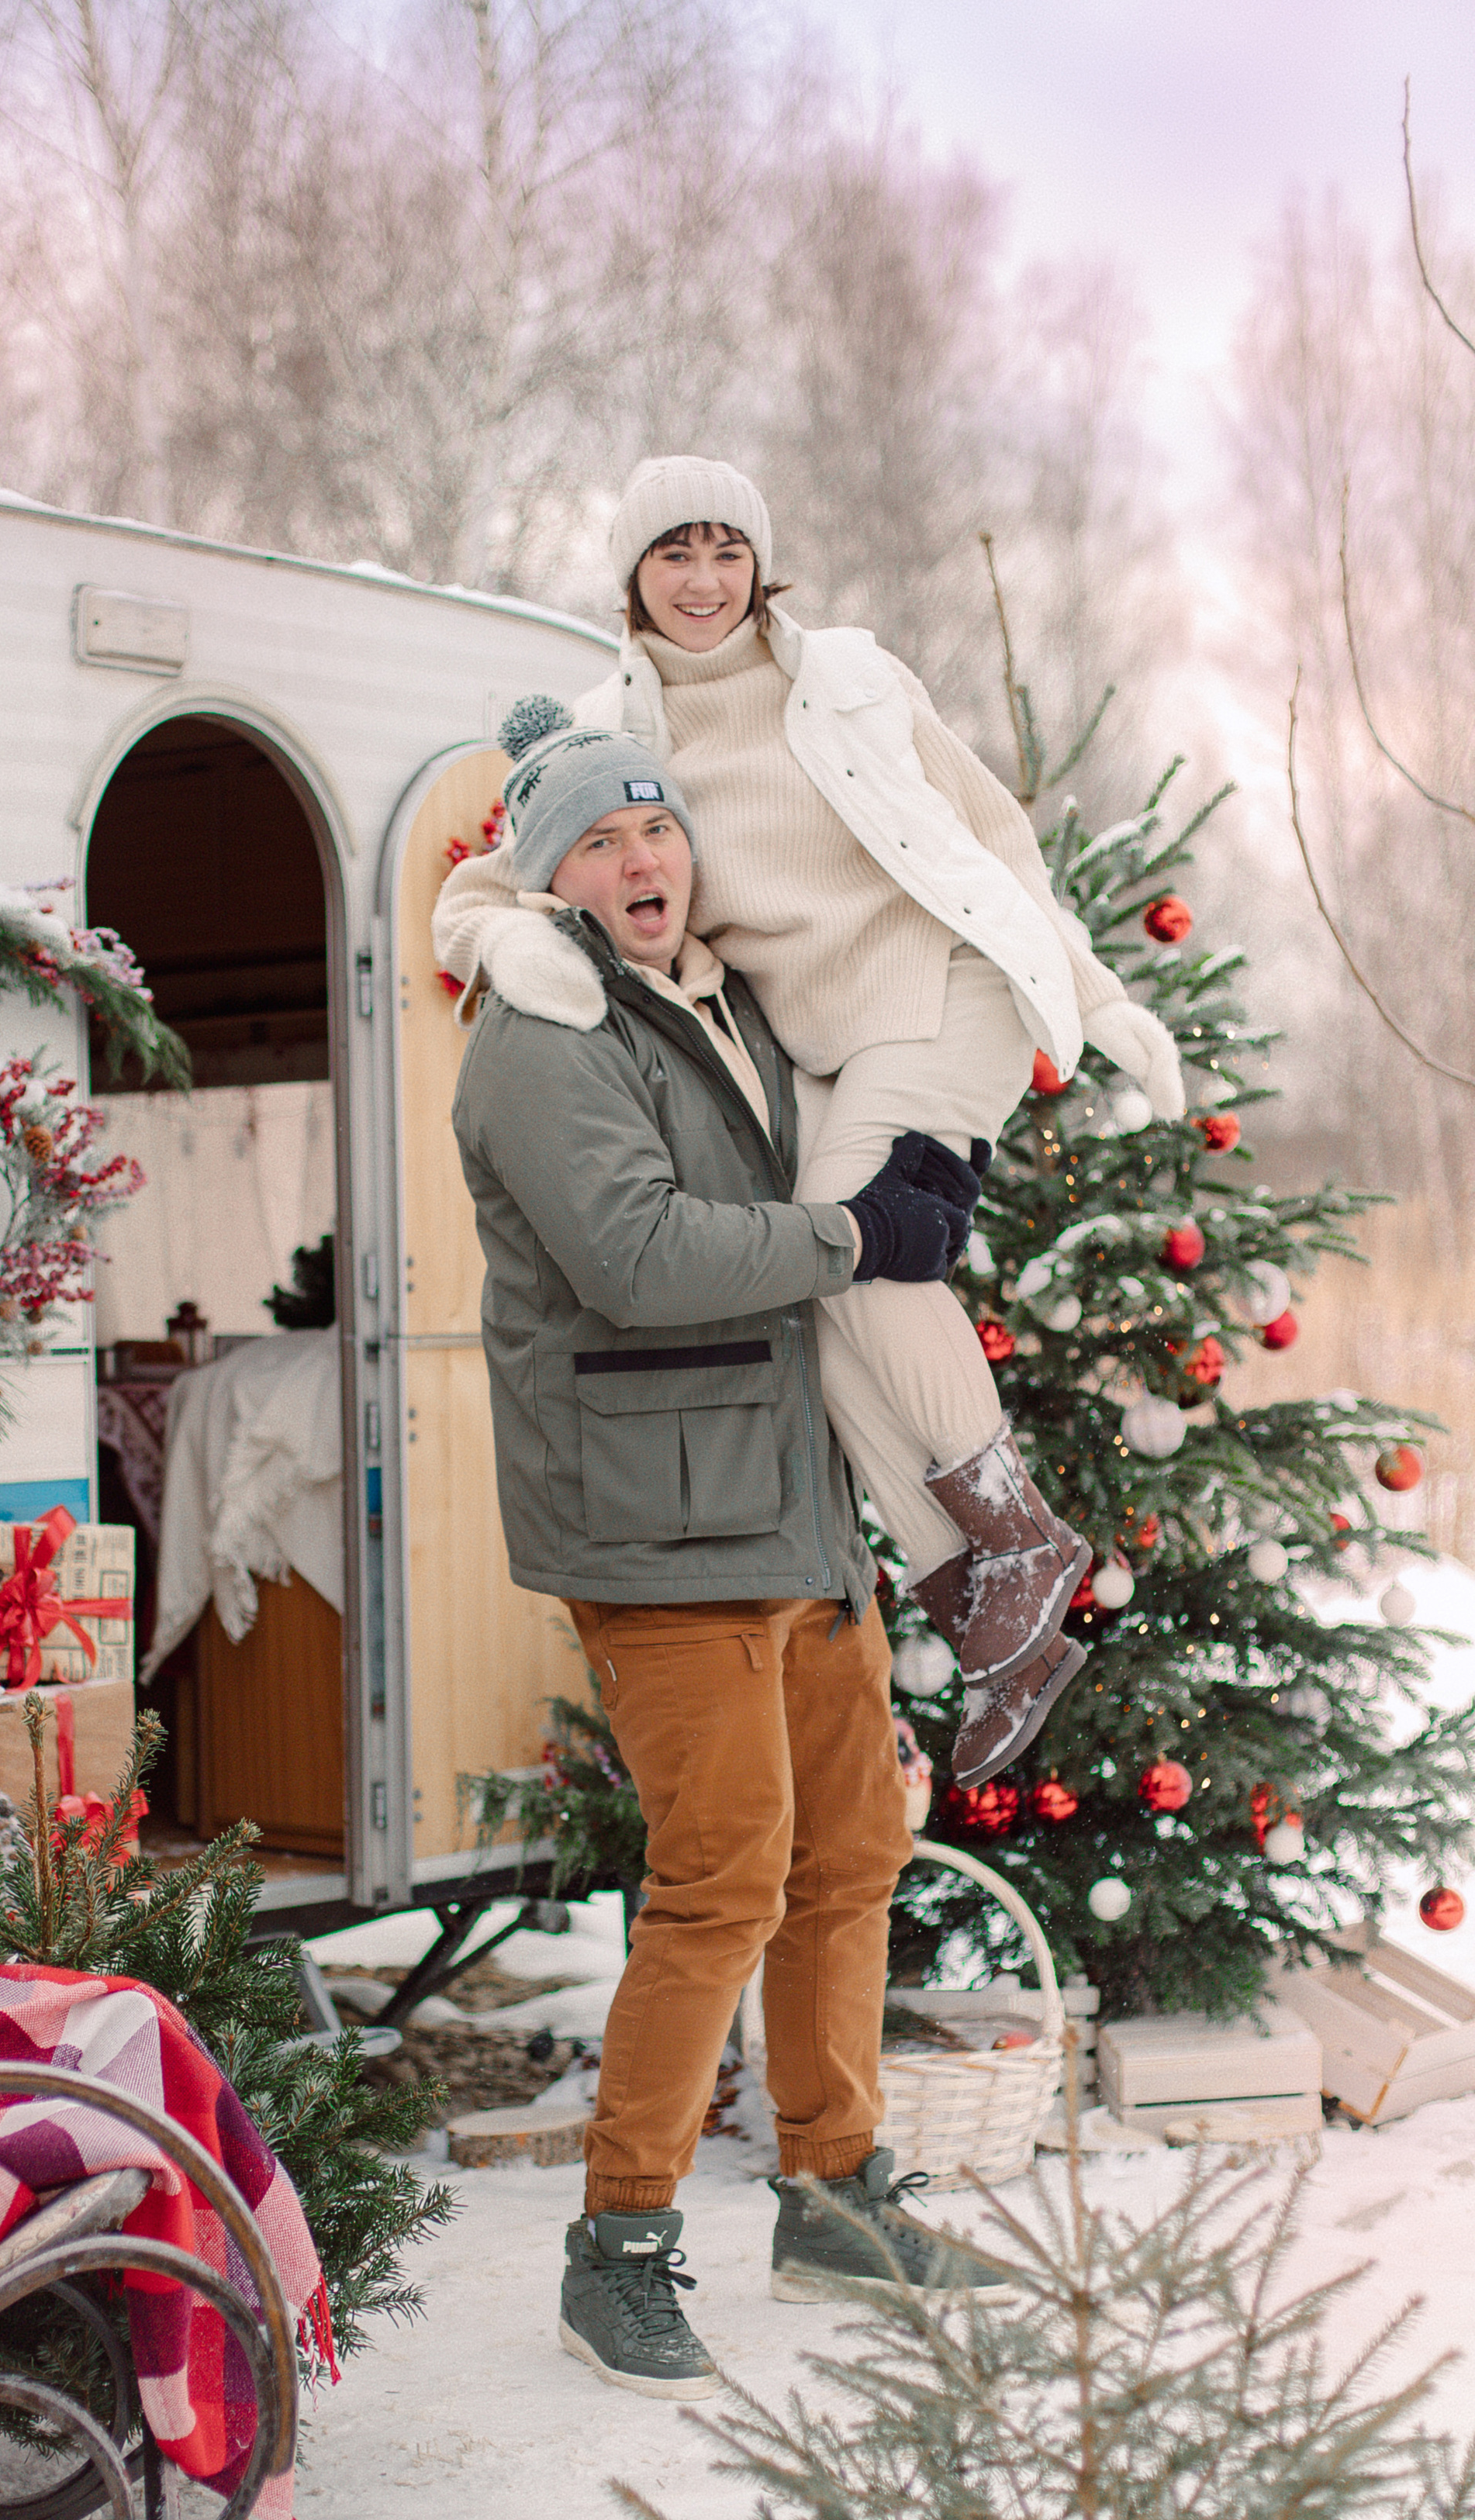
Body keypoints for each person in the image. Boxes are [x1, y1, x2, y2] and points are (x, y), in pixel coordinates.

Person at [437, 456, 1186, 1788]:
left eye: (728, 551)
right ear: (633, 576)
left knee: (859, 1252)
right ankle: (981, 1614)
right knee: (825, 1321)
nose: (705, 580)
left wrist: (1095, 991)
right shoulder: (615, 727)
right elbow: (498, 879)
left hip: (937, 988)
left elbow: (991, 836)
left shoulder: (852, 677)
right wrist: (507, 948)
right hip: (824, 1043)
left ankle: (1020, 1539)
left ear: (761, 564)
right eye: (676, 554)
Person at [451, 711, 1005, 2401]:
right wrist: (851, 1234)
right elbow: (632, 1255)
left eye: (658, 830)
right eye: (601, 841)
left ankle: (834, 2197)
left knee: (850, 1854)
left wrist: (915, 1165)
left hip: (791, 1508)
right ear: (550, 875)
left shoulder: (722, 1000)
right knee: (724, 1880)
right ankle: (616, 2246)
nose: (642, 861)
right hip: (651, 1522)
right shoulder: (541, 1031)